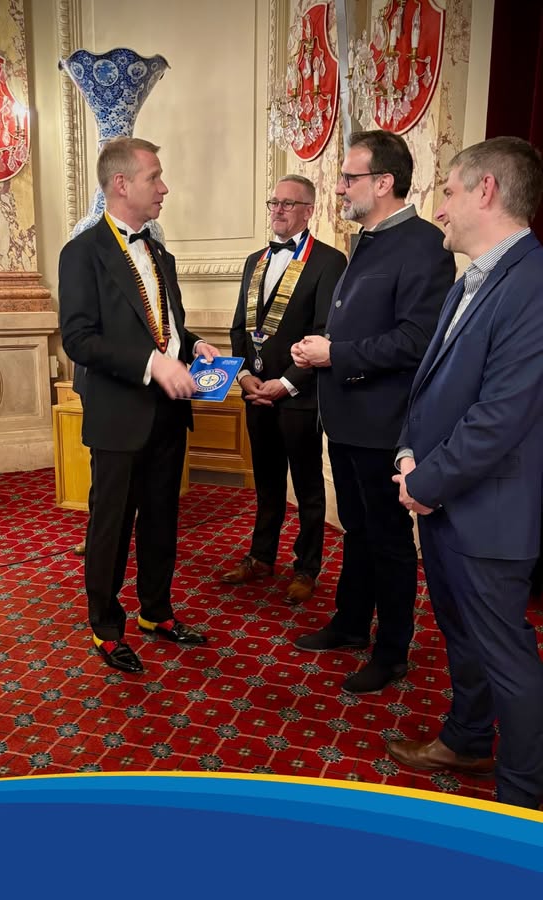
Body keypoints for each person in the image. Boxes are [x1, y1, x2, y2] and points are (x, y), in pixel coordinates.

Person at [386, 137, 543, 811]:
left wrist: (424, 483)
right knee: (462, 636)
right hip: (448, 501)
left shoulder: (533, 282)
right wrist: (407, 454)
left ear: (486, 190)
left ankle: (523, 798)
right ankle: (469, 739)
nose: (439, 207)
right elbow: (430, 390)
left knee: (506, 655)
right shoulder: (470, 280)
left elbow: (501, 416)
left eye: (448, 191)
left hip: (490, 510)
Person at [291, 130, 455, 694]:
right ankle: (351, 623)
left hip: (384, 423)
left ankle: (392, 652)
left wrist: (335, 354)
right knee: (357, 530)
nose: (339, 187)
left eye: (349, 177)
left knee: (388, 539)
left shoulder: (424, 244)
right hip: (346, 417)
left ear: (383, 182)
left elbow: (417, 339)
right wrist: (320, 349)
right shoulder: (368, 239)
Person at [58, 136, 219, 674]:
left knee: (162, 519)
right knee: (111, 526)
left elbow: (165, 328)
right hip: (119, 414)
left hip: (169, 411)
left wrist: (194, 345)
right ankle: (105, 628)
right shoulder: (82, 253)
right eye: (155, 177)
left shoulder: (160, 253)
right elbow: (79, 339)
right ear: (122, 184)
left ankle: (156, 610)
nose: (164, 188)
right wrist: (153, 363)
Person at [221, 175, 346, 604]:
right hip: (255, 391)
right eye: (273, 201)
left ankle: (307, 567)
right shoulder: (254, 260)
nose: (277, 209)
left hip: (299, 395)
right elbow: (239, 327)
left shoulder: (329, 261)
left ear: (309, 210)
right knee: (267, 483)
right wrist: (244, 377)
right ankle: (261, 556)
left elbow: (325, 332)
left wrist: (287, 382)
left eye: (288, 204)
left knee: (308, 487)